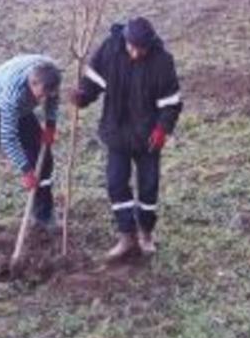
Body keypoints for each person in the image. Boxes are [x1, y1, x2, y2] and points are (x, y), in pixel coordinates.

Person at [69, 17, 182, 259]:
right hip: (117, 131)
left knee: (149, 187)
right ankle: (126, 235)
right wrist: (82, 96)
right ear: (125, 40)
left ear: (149, 45)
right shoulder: (111, 49)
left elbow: (171, 103)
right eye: (131, 47)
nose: (134, 53)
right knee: (116, 183)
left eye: (140, 49)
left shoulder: (162, 62)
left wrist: (162, 129)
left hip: (148, 136)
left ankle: (146, 233)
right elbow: (94, 80)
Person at [0, 54, 63, 257]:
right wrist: (26, 170)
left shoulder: (50, 75)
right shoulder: (12, 94)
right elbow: (8, 138)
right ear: (33, 83)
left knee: (43, 159)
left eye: (48, 94)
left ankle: (44, 215)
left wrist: (50, 125)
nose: (44, 99)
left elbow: (53, 99)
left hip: (23, 110)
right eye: (41, 95)